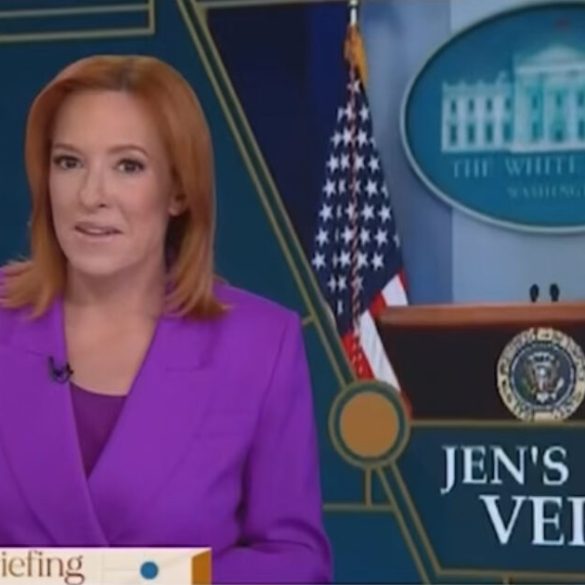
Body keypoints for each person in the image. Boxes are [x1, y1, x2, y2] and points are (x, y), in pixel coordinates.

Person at [0, 55, 332, 583]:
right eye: (69, 162)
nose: (91, 196)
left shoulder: (260, 344)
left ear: (178, 190)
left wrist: (156, 578)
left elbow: (295, 561)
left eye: (128, 166)